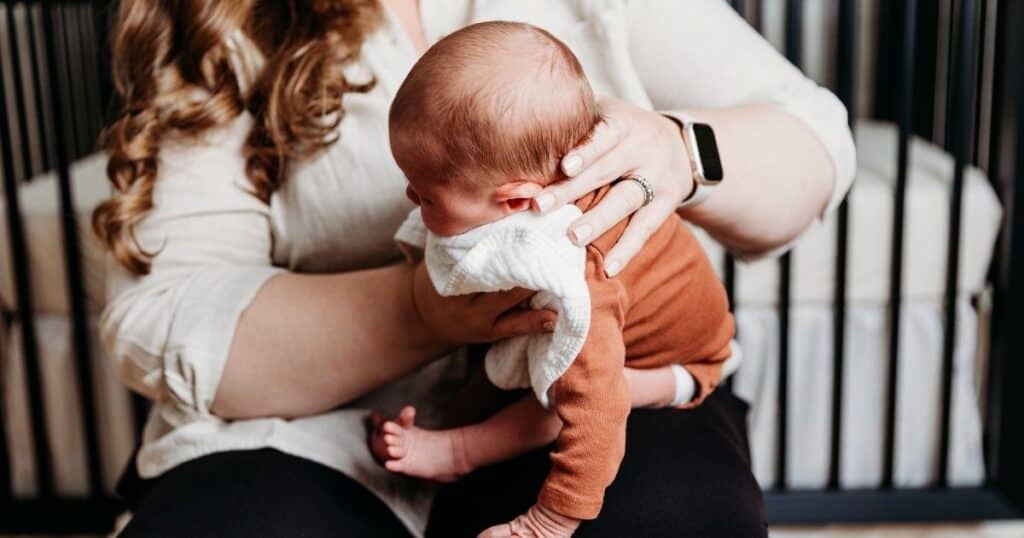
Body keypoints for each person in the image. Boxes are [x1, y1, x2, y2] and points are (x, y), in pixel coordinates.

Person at [96, 1, 855, 537]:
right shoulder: (219, 25)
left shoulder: (576, 284)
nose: (408, 201)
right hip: (300, 425)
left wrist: (684, 151)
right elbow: (162, 315)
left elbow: (816, 139)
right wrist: (421, 312)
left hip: (578, 385)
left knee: (671, 514)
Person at [370, 21, 735, 537]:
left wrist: (549, 522)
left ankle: (458, 451)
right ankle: (444, 435)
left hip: (680, 366)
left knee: (558, 397)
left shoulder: (574, 273)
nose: (410, 199)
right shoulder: (539, 164)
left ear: (516, 200)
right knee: (504, 368)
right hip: (623, 339)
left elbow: (598, 415)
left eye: (426, 196)